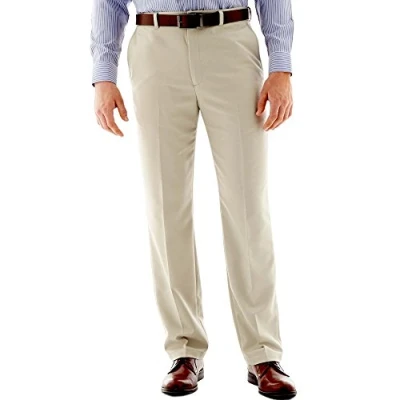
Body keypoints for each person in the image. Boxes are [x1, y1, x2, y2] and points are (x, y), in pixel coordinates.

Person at [90, 1, 296, 398]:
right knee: (165, 206)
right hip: (155, 46)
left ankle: (263, 352)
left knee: (248, 206)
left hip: (231, 42)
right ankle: (184, 349)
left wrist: (281, 66)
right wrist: (103, 74)